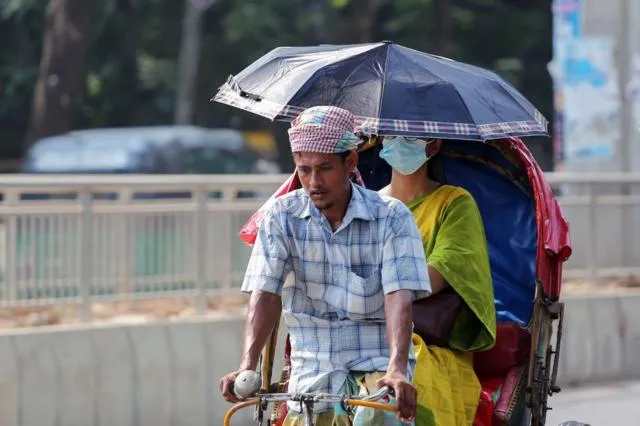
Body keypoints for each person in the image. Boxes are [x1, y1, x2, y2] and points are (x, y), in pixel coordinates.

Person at [219, 106, 432, 426]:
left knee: (374, 418)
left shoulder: (392, 217)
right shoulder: (280, 216)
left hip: (375, 371)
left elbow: (398, 296)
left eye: (324, 168)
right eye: (304, 170)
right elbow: (265, 292)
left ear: (350, 163)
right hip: (311, 375)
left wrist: (397, 368)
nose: (313, 181)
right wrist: (247, 366)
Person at [377, 136, 497, 425]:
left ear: (433, 145)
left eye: (411, 136)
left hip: (427, 344)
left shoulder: (455, 204)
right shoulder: (368, 206)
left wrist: (368, 294)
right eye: (393, 134)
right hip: (362, 335)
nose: (400, 142)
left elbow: (435, 275)